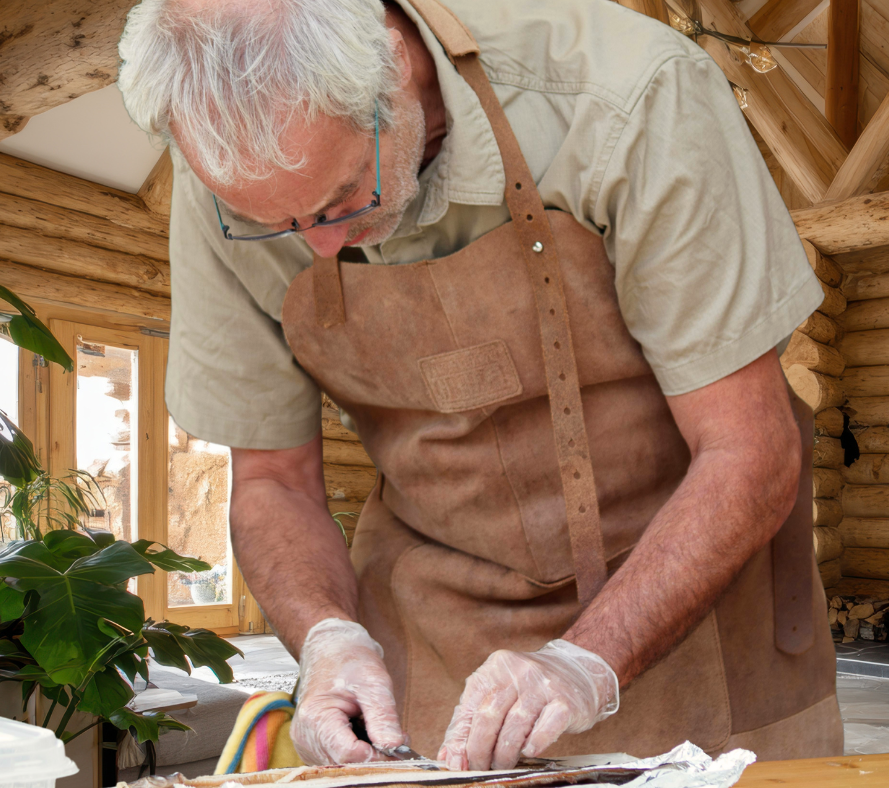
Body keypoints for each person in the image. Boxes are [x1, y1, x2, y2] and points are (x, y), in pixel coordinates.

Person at [118, 0, 843, 769]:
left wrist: (582, 662)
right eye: (281, 224)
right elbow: (273, 482)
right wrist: (326, 636)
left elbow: (748, 447)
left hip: (695, 618)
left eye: (342, 197)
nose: (322, 245)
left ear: (393, 68)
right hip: (432, 636)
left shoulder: (629, 91)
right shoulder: (228, 190)